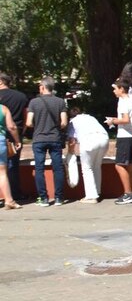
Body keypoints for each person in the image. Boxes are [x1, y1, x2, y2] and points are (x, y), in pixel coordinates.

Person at [25, 76, 68, 206]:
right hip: (55, 138)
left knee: (39, 168)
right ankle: (59, 198)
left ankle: (43, 198)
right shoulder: (60, 102)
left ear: (43, 87)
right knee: (58, 168)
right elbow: (64, 123)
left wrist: (38, 126)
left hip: (39, 139)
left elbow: (28, 122)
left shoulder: (34, 102)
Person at [105, 79, 132, 205]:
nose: (114, 91)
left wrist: (113, 121)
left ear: (122, 89)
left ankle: (128, 193)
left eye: (115, 88)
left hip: (125, 137)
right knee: (130, 165)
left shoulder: (123, 102)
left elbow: (125, 120)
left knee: (119, 165)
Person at [67, 107, 111, 203]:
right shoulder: (90, 117)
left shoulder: (72, 122)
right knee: (96, 166)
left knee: (87, 168)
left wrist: (70, 154)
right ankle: (97, 192)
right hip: (104, 138)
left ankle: (91, 196)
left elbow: (72, 141)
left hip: (89, 140)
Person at [0, 73, 29, 200]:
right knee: (13, 164)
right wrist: (23, 131)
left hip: (2, 132)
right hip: (15, 133)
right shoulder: (21, 96)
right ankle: (15, 193)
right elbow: (26, 115)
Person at [0, 102, 22, 209]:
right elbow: (11, 126)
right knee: (2, 173)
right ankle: (9, 201)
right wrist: (17, 140)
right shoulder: (3, 109)